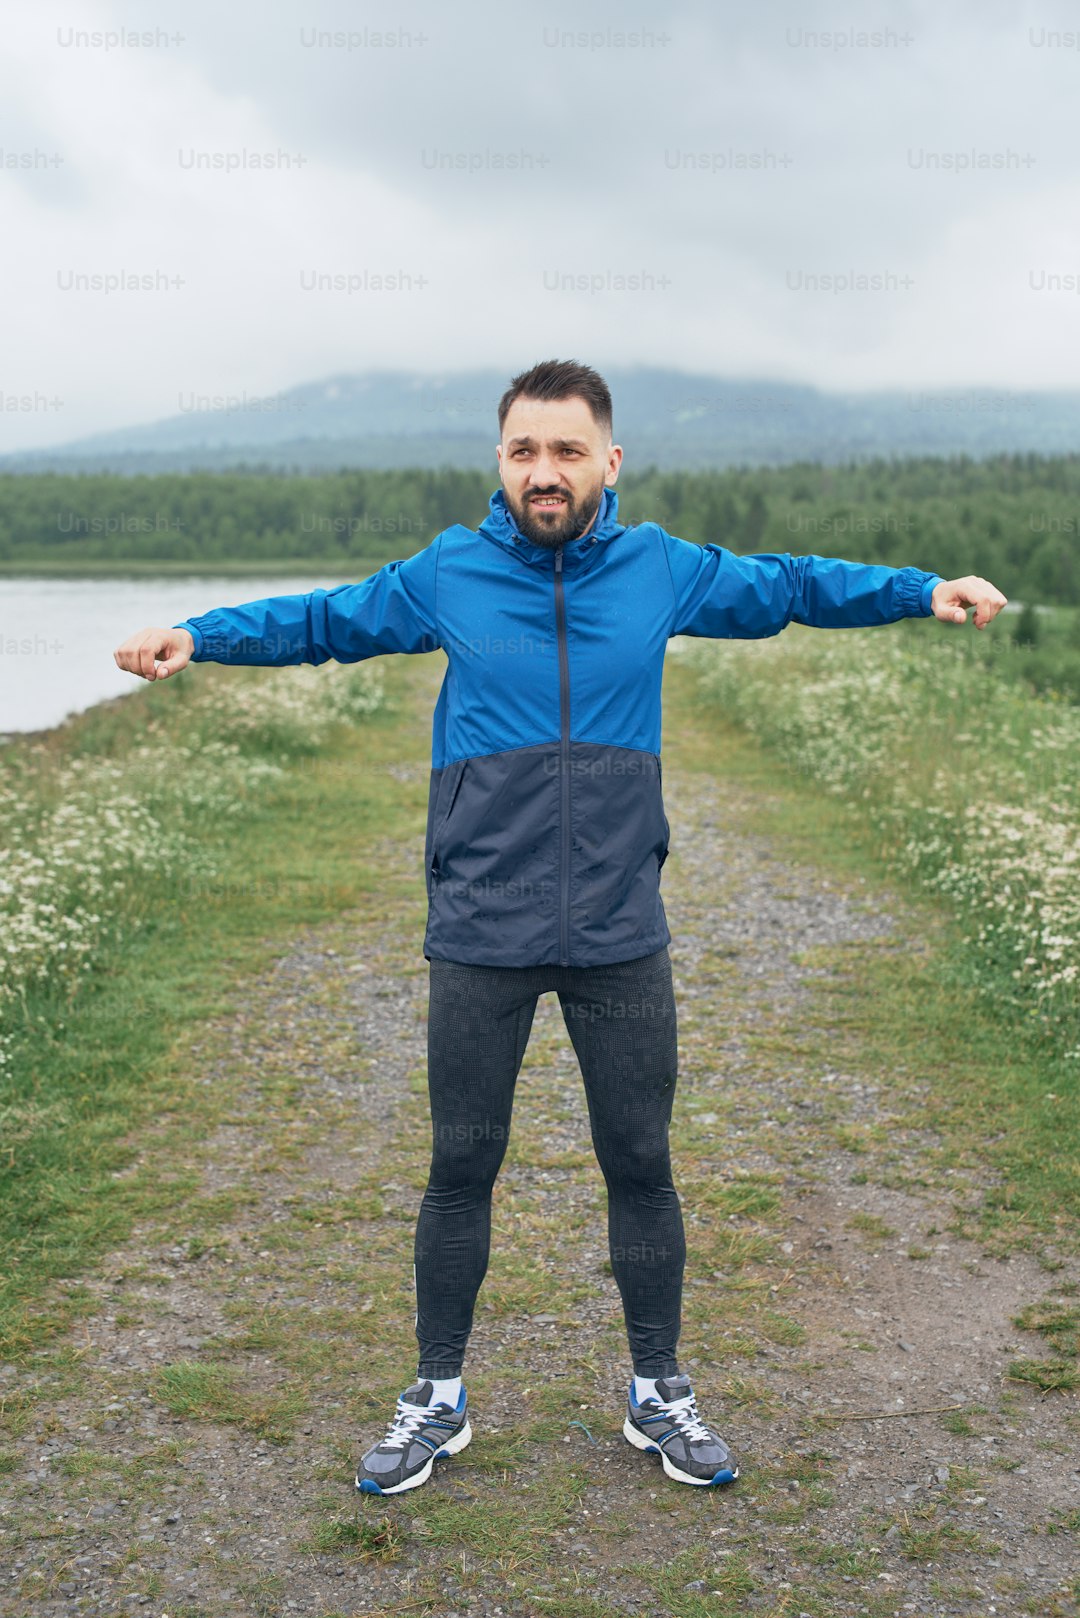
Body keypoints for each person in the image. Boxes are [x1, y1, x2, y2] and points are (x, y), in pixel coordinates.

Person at [113, 358, 1007, 1495]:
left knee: (640, 1162)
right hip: (481, 927)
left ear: (609, 461)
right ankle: (437, 1397)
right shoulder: (451, 571)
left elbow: (788, 586)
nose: (546, 472)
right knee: (460, 1165)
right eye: (526, 451)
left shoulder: (662, 569)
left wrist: (920, 590)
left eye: (567, 450)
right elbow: (325, 619)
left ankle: (658, 1393)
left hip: (621, 928)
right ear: (501, 461)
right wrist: (201, 632)